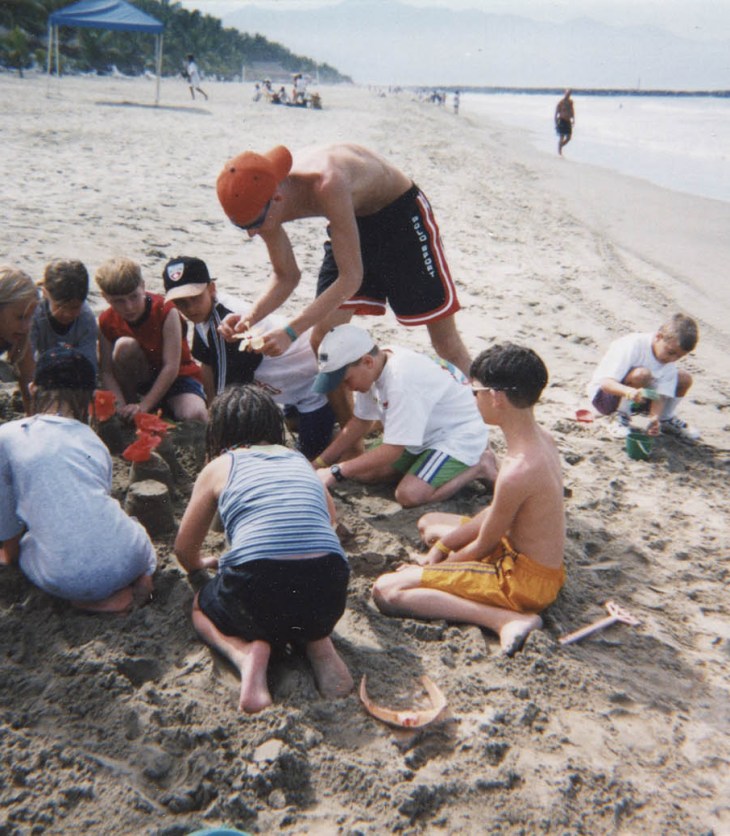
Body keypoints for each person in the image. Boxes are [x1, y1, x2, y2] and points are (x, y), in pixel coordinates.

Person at [215, 143, 471, 380]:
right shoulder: (258, 202)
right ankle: (352, 420)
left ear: (277, 198)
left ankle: (484, 409)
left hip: (399, 216)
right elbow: (286, 276)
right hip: (351, 218)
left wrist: (291, 332)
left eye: (253, 224)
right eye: (241, 226)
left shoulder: (327, 183)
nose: (251, 233)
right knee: (323, 340)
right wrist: (248, 319)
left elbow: (351, 278)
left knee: (445, 343)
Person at [371, 343, 565, 656]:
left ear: (496, 398)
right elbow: (496, 515)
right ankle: (489, 601)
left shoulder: (517, 471)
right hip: (533, 560)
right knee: (430, 524)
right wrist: (441, 547)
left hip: (522, 582)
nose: (472, 398)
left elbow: (484, 545)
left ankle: (506, 619)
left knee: (388, 590)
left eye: (475, 392)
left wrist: (437, 568)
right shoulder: (542, 440)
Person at [174, 385, 353, 713]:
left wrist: (202, 563)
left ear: (219, 431)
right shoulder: (299, 460)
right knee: (301, 598)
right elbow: (330, 520)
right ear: (273, 427)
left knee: (200, 607)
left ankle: (244, 655)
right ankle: (319, 645)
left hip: (257, 588)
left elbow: (184, 550)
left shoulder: (219, 466)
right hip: (329, 585)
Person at [0, 347, 156, 612]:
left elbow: (6, 521)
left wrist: (10, 556)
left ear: (33, 388)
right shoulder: (94, 441)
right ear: (91, 399)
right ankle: (143, 576)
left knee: (28, 546)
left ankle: (96, 602)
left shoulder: (8, 435)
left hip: (72, 576)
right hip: (134, 556)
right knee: (124, 523)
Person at [163, 255, 335, 459]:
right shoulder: (204, 315)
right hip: (286, 390)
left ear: (211, 289)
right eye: (181, 303)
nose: (190, 308)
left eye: (195, 298)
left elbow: (228, 398)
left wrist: (216, 450)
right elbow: (207, 364)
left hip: (312, 391)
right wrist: (210, 413)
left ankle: (341, 431)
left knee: (305, 456)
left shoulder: (226, 324)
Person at [312, 324, 493, 508]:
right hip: (420, 432)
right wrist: (319, 463)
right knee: (363, 473)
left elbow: (393, 449)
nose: (346, 388)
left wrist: (336, 471)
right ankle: (422, 468)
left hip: (455, 436)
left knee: (409, 495)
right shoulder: (376, 363)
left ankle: (479, 466)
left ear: (367, 362)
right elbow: (361, 421)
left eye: (346, 380)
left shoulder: (401, 380)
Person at [95, 256, 208, 423]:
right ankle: (130, 405)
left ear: (142, 286)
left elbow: (171, 366)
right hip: (139, 378)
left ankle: (147, 407)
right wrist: (119, 405)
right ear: (105, 297)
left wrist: (144, 406)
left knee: (195, 414)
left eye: (134, 297)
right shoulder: (106, 320)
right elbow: (106, 371)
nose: (129, 307)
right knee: (124, 346)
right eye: (118, 301)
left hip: (177, 378)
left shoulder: (165, 310)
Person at [587, 313, 700, 441]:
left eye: (678, 357)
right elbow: (606, 384)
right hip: (605, 397)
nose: (672, 359)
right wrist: (629, 392)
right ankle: (620, 416)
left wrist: (654, 418)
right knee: (641, 374)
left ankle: (665, 418)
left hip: (638, 398)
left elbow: (661, 394)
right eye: (670, 352)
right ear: (658, 337)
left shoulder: (669, 360)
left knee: (684, 378)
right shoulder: (633, 344)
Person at [31, 258, 98, 374]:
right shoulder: (33, 314)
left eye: (75, 307)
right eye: (60, 306)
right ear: (45, 293)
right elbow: (25, 360)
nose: (67, 314)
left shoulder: (86, 319)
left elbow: (89, 367)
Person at [0, 265, 39, 414]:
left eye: (31, 317)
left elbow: (31, 392)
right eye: (20, 317)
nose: (26, 326)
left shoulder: (18, 334)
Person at [555, 89, 575, 155]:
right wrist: (556, 122)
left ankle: (561, 146)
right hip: (562, 120)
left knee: (569, 137)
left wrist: (573, 119)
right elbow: (556, 112)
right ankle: (559, 152)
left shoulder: (570, 102)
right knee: (562, 136)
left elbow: (572, 110)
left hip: (568, 121)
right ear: (565, 94)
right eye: (567, 93)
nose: (568, 95)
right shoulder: (561, 102)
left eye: (569, 94)